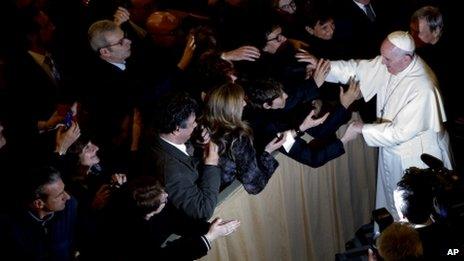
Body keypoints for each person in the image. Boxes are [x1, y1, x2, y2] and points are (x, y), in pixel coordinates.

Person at [320, 31, 452, 221]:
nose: (382, 63)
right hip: (392, 150)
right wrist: (322, 66)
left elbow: (399, 132)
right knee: (391, 206)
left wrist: (361, 128)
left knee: (415, 213)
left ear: (406, 59)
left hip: (415, 157)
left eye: (387, 59)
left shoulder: (423, 87)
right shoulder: (393, 62)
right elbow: (355, 68)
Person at [100, 176, 240, 260]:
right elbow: (169, 257)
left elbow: (178, 221)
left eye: (162, 190)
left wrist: (209, 227)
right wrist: (209, 237)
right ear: (150, 213)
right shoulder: (134, 238)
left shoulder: (143, 199)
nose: (167, 195)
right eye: (163, 201)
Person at [244, 77, 360, 168]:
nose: (286, 95)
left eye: (282, 90)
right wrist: (345, 139)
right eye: (279, 95)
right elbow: (313, 158)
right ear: (267, 105)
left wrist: (317, 97)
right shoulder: (269, 132)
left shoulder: (271, 104)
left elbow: (321, 131)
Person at [144, 93, 221, 220]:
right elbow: (203, 210)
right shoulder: (171, 171)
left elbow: (183, 153)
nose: (196, 125)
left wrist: (196, 144)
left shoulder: (160, 135)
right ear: (176, 129)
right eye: (192, 123)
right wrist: (211, 165)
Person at [202, 83, 286, 194]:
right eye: (241, 101)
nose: (245, 103)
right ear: (232, 108)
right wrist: (268, 152)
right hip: (217, 197)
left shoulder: (203, 126)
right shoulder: (237, 139)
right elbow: (255, 185)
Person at [0, 166, 79, 260]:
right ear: (39, 203)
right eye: (60, 195)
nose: (67, 197)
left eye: (64, 190)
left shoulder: (69, 206)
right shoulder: (10, 228)